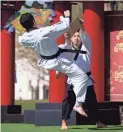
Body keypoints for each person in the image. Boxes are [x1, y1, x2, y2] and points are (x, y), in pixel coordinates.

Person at [18, 11, 92, 129]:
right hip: (58, 60)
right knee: (82, 76)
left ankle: (77, 103)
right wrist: (66, 16)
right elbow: (65, 26)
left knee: (78, 77)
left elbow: (23, 39)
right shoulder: (45, 31)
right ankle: (77, 104)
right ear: (33, 21)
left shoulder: (24, 38)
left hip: (46, 61)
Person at [57, 22, 107, 130]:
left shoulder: (86, 48)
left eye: (78, 36)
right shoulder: (68, 49)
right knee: (69, 101)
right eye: (74, 36)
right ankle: (64, 122)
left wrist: (81, 26)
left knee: (91, 101)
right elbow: (62, 61)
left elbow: (85, 36)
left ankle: (97, 122)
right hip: (74, 80)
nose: (76, 38)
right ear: (71, 38)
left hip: (86, 79)